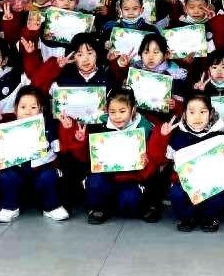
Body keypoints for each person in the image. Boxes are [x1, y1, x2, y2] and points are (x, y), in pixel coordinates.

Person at [61, 88, 168, 225]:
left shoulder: (146, 127)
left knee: (130, 199)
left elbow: (158, 159)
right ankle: (99, 207)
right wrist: (81, 142)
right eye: (112, 112)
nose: (117, 116)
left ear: (133, 110)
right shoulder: (98, 125)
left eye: (122, 111)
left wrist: (147, 160)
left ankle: (131, 204)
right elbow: (84, 158)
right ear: (107, 110)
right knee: (95, 183)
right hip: (105, 177)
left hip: (131, 178)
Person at [0, 86, 69, 224]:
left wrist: (64, 131)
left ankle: (51, 206)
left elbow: (61, 149)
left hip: (41, 171)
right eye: (23, 107)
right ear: (15, 109)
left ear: (41, 109)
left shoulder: (49, 127)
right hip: (17, 172)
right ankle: (10, 207)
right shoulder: (5, 129)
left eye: (33, 107)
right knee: (7, 176)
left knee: (48, 175)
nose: (28, 111)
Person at [166, 91, 224, 232]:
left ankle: (210, 217)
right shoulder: (177, 137)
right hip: (187, 185)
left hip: (211, 183)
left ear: (211, 113)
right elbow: (161, 159)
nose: (197, 117)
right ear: (184, 114)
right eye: (192, 112)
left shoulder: (222, 137)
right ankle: (187, 217)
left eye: (202, 112)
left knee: (218, 194)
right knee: (176, 192)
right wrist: (162, 137)